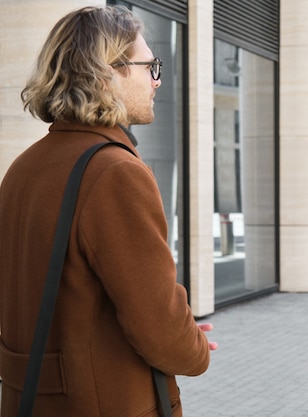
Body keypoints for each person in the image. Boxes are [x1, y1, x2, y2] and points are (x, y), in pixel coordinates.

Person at [0, 6, 217, 417]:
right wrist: (193, 348)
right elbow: (159, 327)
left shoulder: (23, 167)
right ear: (108, 71)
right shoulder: (115, 171)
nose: (157, 80)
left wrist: (180, 330)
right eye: (150, 66)